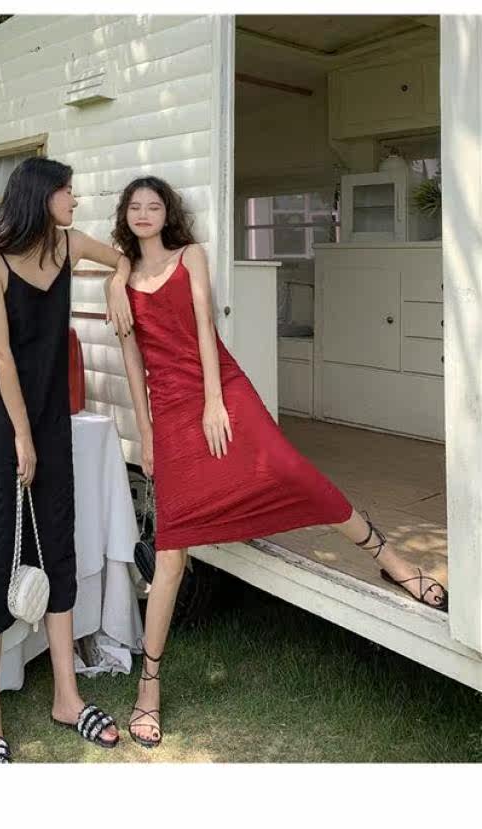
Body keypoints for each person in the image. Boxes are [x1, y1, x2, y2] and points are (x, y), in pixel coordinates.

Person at [104, 175, 449, 750]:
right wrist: (146, 434)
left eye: (154, 206)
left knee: (292, 474)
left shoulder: (191, 256)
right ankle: (149, 685)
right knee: (170, 551)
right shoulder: (120, 284)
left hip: (221, 388)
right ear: (126, 215)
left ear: (167, 215)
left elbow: (206, 328)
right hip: (167, 410)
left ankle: (390, 558)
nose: (144, 214)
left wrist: (214, 401)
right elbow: (132, 361)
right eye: (135, 206)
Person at [0, 157, 132, 763]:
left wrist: (116, 284)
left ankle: (67, 698)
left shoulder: (68, 245)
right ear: (40, 195)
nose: (75, 201)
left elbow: (122, 260)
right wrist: (22, 438)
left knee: (57, 545)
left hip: (51, 419)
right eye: (67, 192)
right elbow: (1, 357)